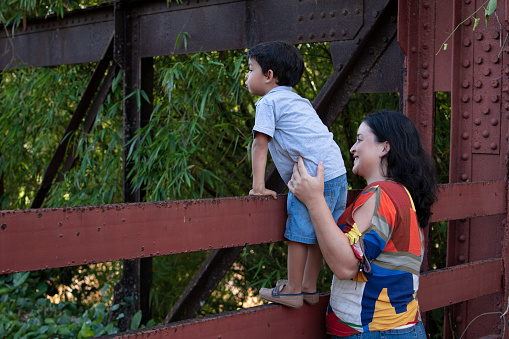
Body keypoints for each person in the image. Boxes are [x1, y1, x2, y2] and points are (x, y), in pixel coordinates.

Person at [288, 111, 437, 337]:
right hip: (401, 329)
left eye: (360, 139)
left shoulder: (381, 195)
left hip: (377, 333)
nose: (352, 148)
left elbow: (346, 266)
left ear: (384, 147)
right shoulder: (402, 195)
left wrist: (314, 200)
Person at [245, 41, 348, 308]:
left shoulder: (268, 102)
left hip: (311, 178)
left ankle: (292, 290)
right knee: (318, 230)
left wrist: (258, 186)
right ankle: (308, 287)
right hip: (336, 173)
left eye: (250, 69)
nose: (246, 76)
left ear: (268, 76)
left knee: (299, 232)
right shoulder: (298, 100)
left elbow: (260, 143)